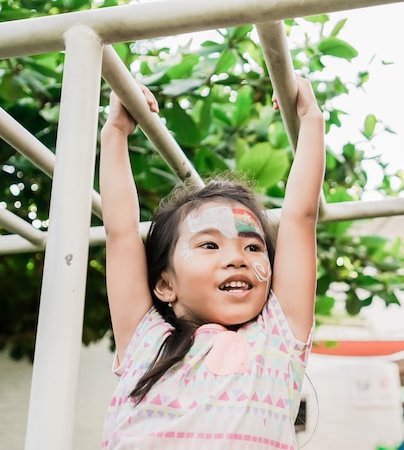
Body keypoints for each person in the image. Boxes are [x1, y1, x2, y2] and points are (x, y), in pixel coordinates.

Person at [99, 74, 325, 449]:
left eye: (253, 248)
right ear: (165, 284)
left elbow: (301, 216)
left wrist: (311, 117)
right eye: (209, 246)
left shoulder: (276, 339)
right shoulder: (146, 340)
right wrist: (116, 131)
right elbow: (121, 232)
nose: (237, 258)